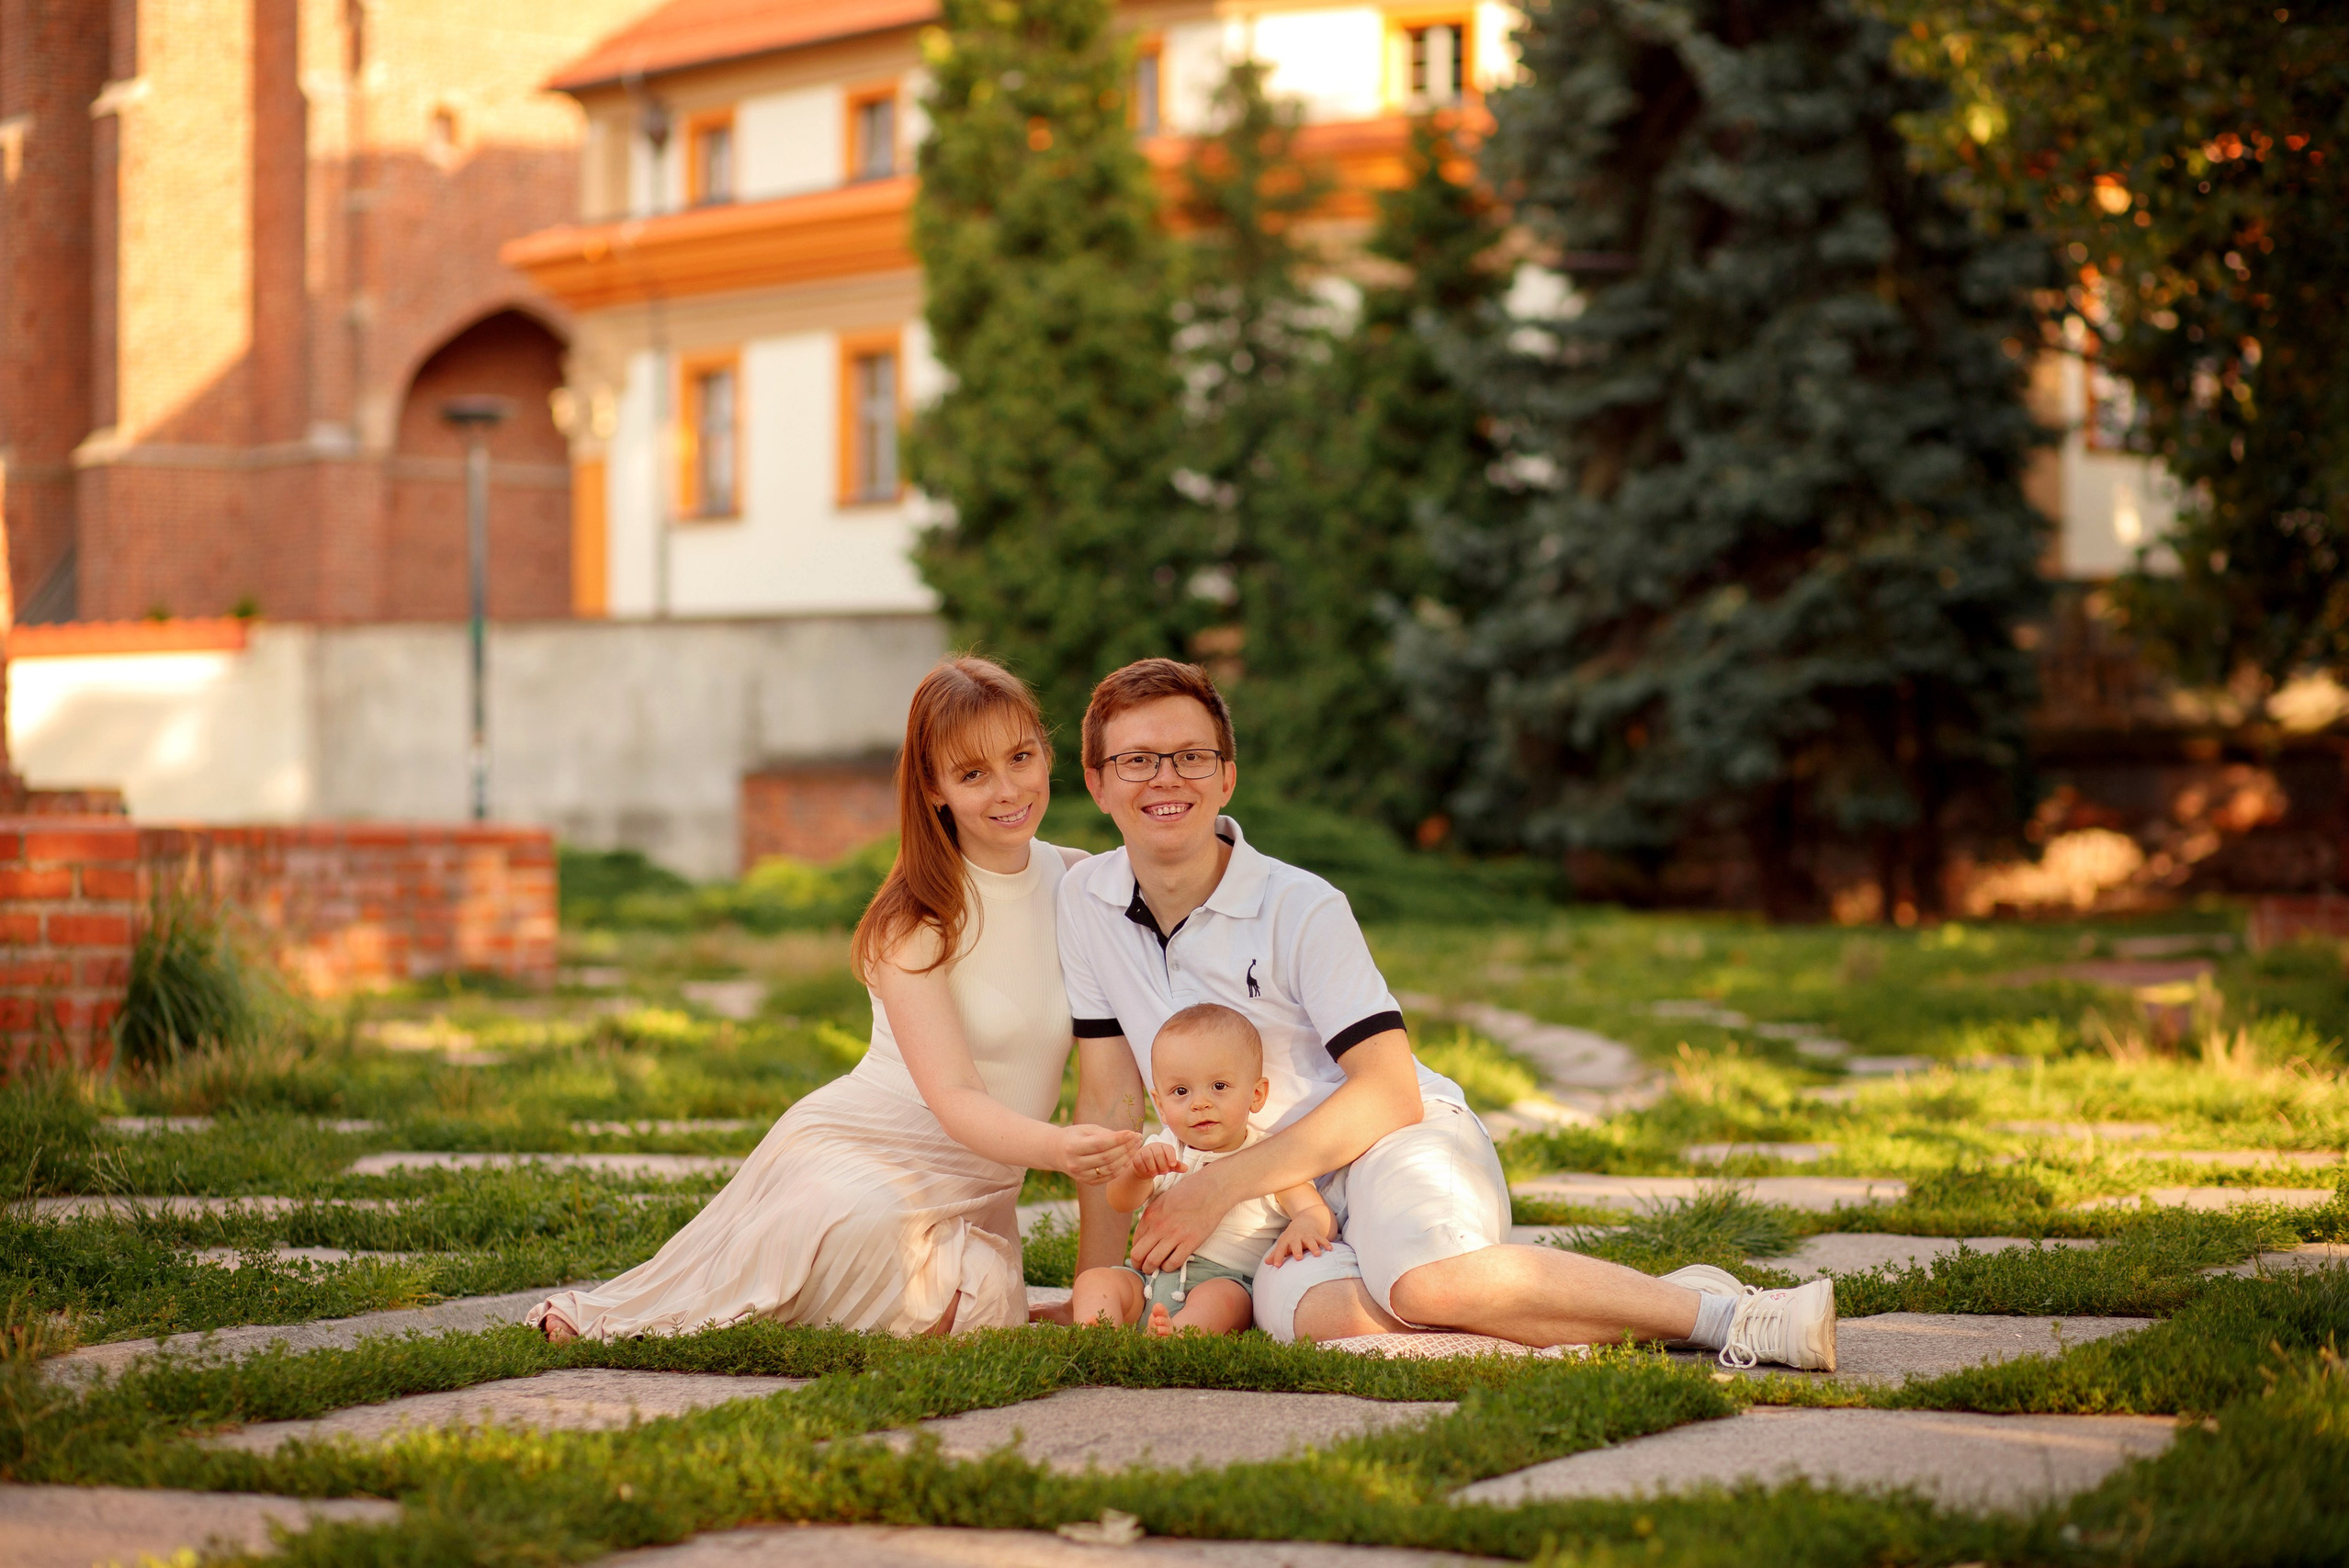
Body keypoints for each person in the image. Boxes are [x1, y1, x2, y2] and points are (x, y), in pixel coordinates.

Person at [1057, 658, 1836, 1370]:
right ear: (1096, 783)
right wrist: (1105, 1279)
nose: (1167, 777)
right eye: (1136, 760)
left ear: (1226, 777)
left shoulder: (1299, 904)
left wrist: (1218, 1184)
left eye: (1191, 756)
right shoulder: (1085, 902)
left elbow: (1388, 1089)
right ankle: (1603, 1299)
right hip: (1280, 1212)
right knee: (1322, 1319)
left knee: (1422, 1286)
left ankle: (1734, 1315)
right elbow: (1110, 1103)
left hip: (1393, 1140)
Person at [529, 657, 1139, 1342]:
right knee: (937, 1288)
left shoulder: (1079, 883)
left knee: (973, 1303)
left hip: (977, 1183)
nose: (1008, 790)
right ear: (934, 789)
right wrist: (1057, 1146)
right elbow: (956, 1097)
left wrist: (1097, 1279)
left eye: (1020, 757)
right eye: (972, 774)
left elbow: (1116, 1073)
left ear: (1046, 753)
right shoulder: (915, 919)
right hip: (866, 1151)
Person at [1067, 1002, 1336, 1337]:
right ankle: (1097, 1331)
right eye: (1181, 1091)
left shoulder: (1265, 1159)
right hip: (1147, 1282)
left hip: (1222, 1281)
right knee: (1095, 1280)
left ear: (1256, 1094)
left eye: (1219, 1086)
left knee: (1225, 1301)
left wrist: (1306, 1225)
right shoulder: (1165, 1149)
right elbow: (1120, 1202)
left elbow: (1313, 1209)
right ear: (1160, 1105)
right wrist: (1136, 1174)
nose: (1200, 1103)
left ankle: (1177, 1335)